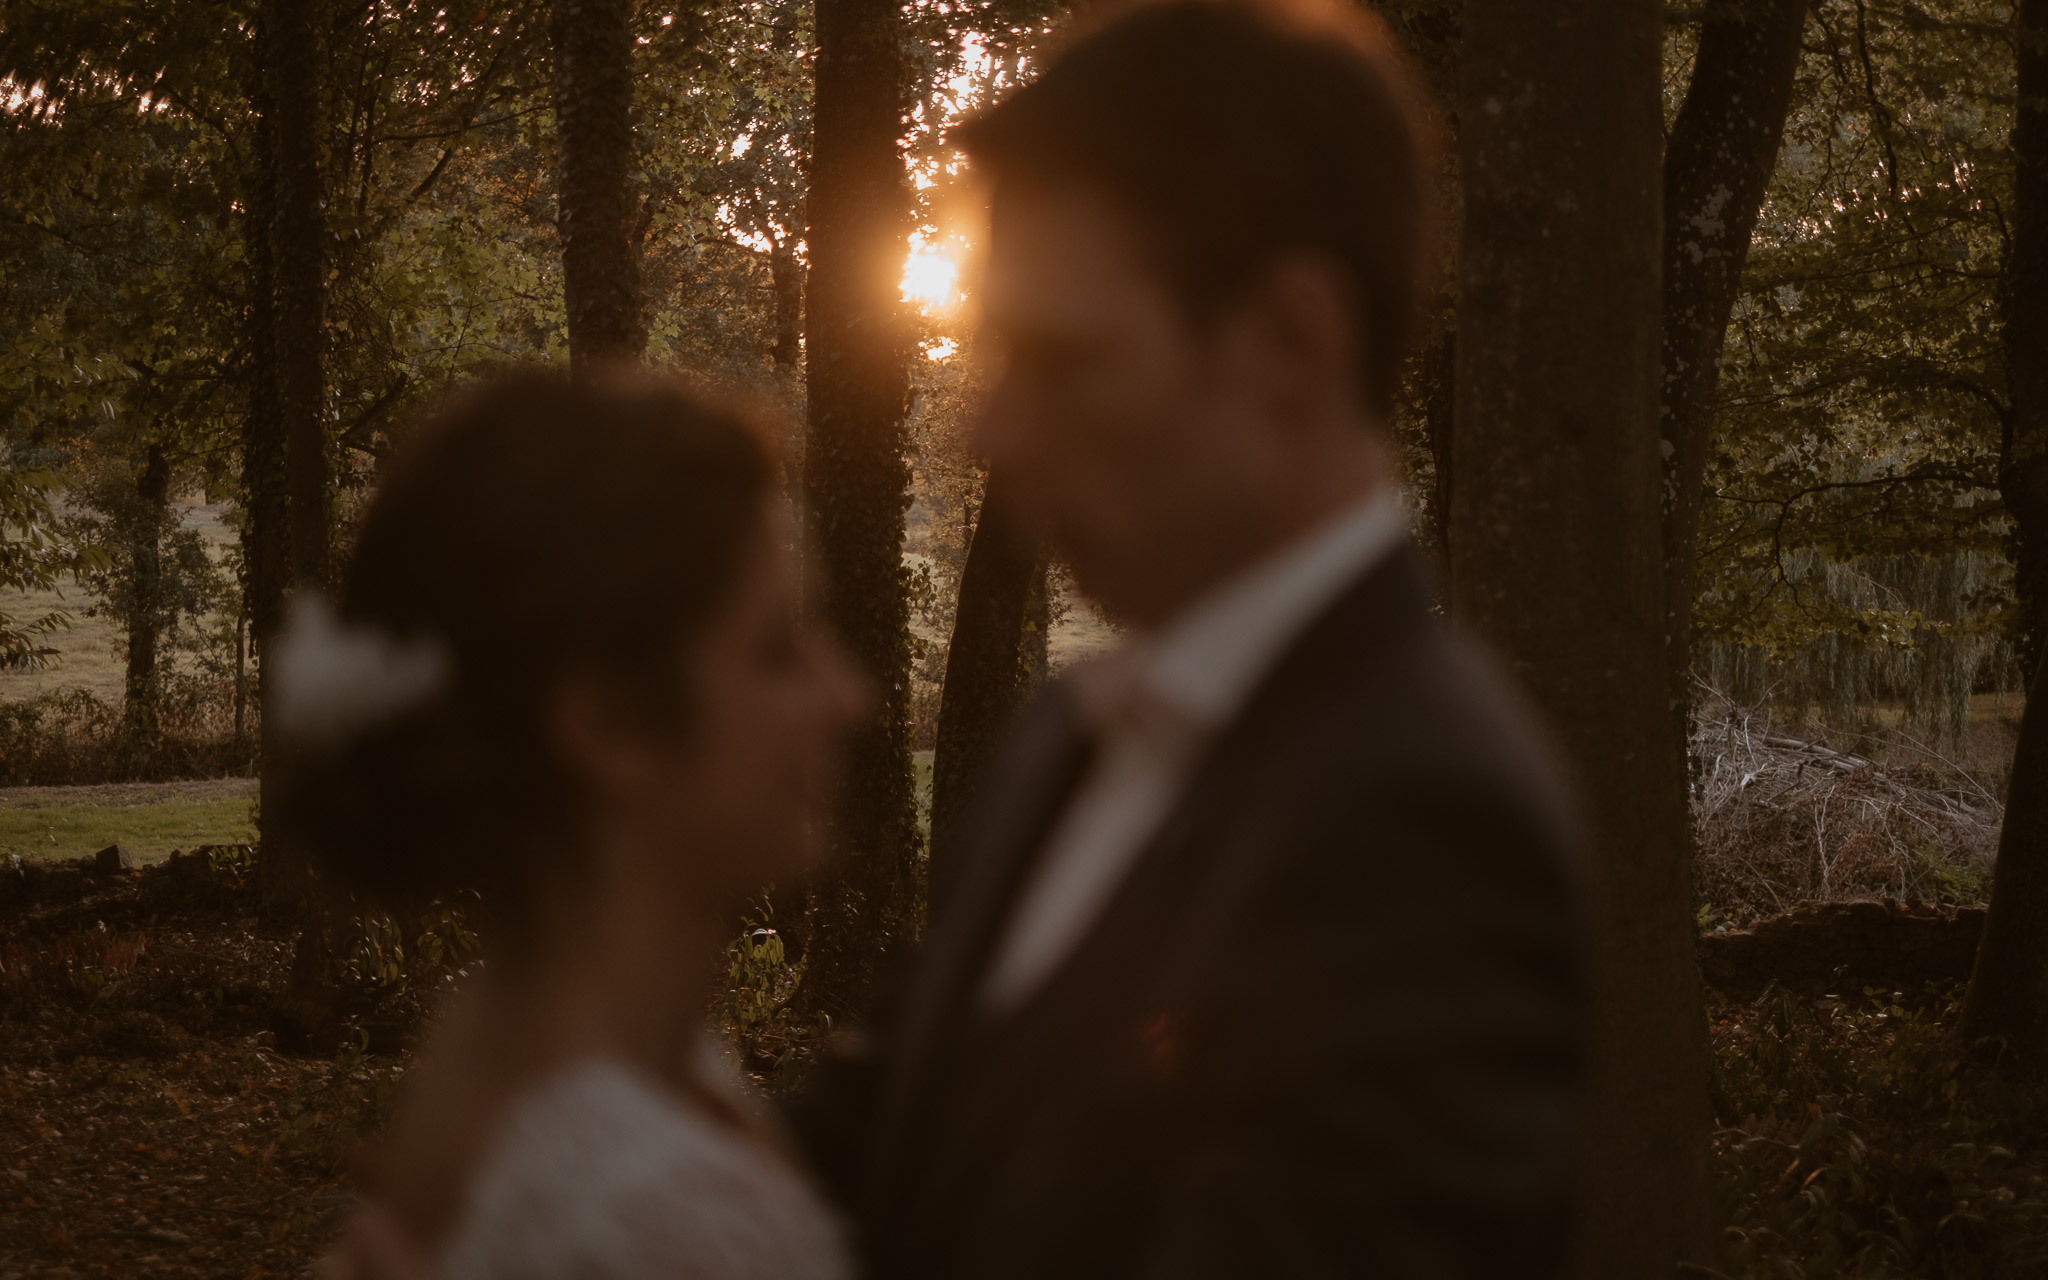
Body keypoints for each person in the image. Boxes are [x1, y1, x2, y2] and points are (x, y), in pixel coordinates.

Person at [785, 0, 1589, 1276]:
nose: (988, 431)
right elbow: (866, 1148)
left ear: (1289, 342)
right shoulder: (1070, 737)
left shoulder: (1422, 818)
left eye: (1060, 356)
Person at [284, 372, 867, 1280]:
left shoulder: (500, 1035)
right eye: (776, 651)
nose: (846, 699)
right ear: (609, 727)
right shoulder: (672, 1225)